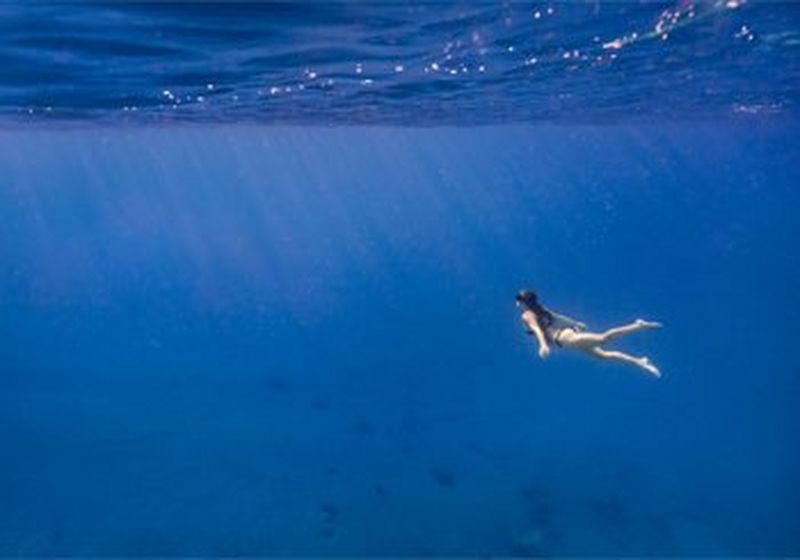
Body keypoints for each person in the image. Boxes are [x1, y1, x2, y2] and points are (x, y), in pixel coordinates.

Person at [515, 290, 662, 378]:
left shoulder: (527, 315)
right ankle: (640, 362)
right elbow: (558, 317)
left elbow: (537, 329)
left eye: (518, 301)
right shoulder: (539, 309)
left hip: (565, 338)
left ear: (524, 303)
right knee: (603, 356)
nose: (517, 304)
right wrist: (575, 323)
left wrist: (542, 346)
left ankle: (637, 325)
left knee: (603, 339)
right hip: (567, 336)